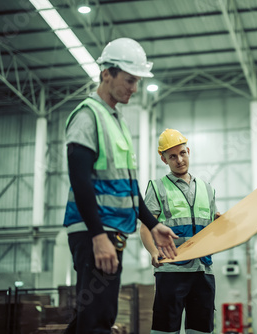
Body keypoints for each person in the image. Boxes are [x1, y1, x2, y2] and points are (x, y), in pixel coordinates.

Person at [63, 38, 178, 334]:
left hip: (112, 230)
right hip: (96, 233)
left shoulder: (116, 121)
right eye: (129, 80)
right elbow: (80, 181)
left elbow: (127, 188)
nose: (134, 89)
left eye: (137, 81)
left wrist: (152, 225)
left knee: (92, 315)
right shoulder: (88, 116)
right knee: (98, 318)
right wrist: (98, 236)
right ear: (107, 74)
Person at [140, 128, 220, 334]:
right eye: (172, 156)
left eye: (182, 153)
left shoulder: (207, 189)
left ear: (189, 151)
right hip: (171, 270)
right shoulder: (157, 188)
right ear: (164, 159)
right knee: (166, 330)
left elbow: (212, 226)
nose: (179, 160)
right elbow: (146, 227)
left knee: (201, 330)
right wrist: (153, 252)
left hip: (203, 269)